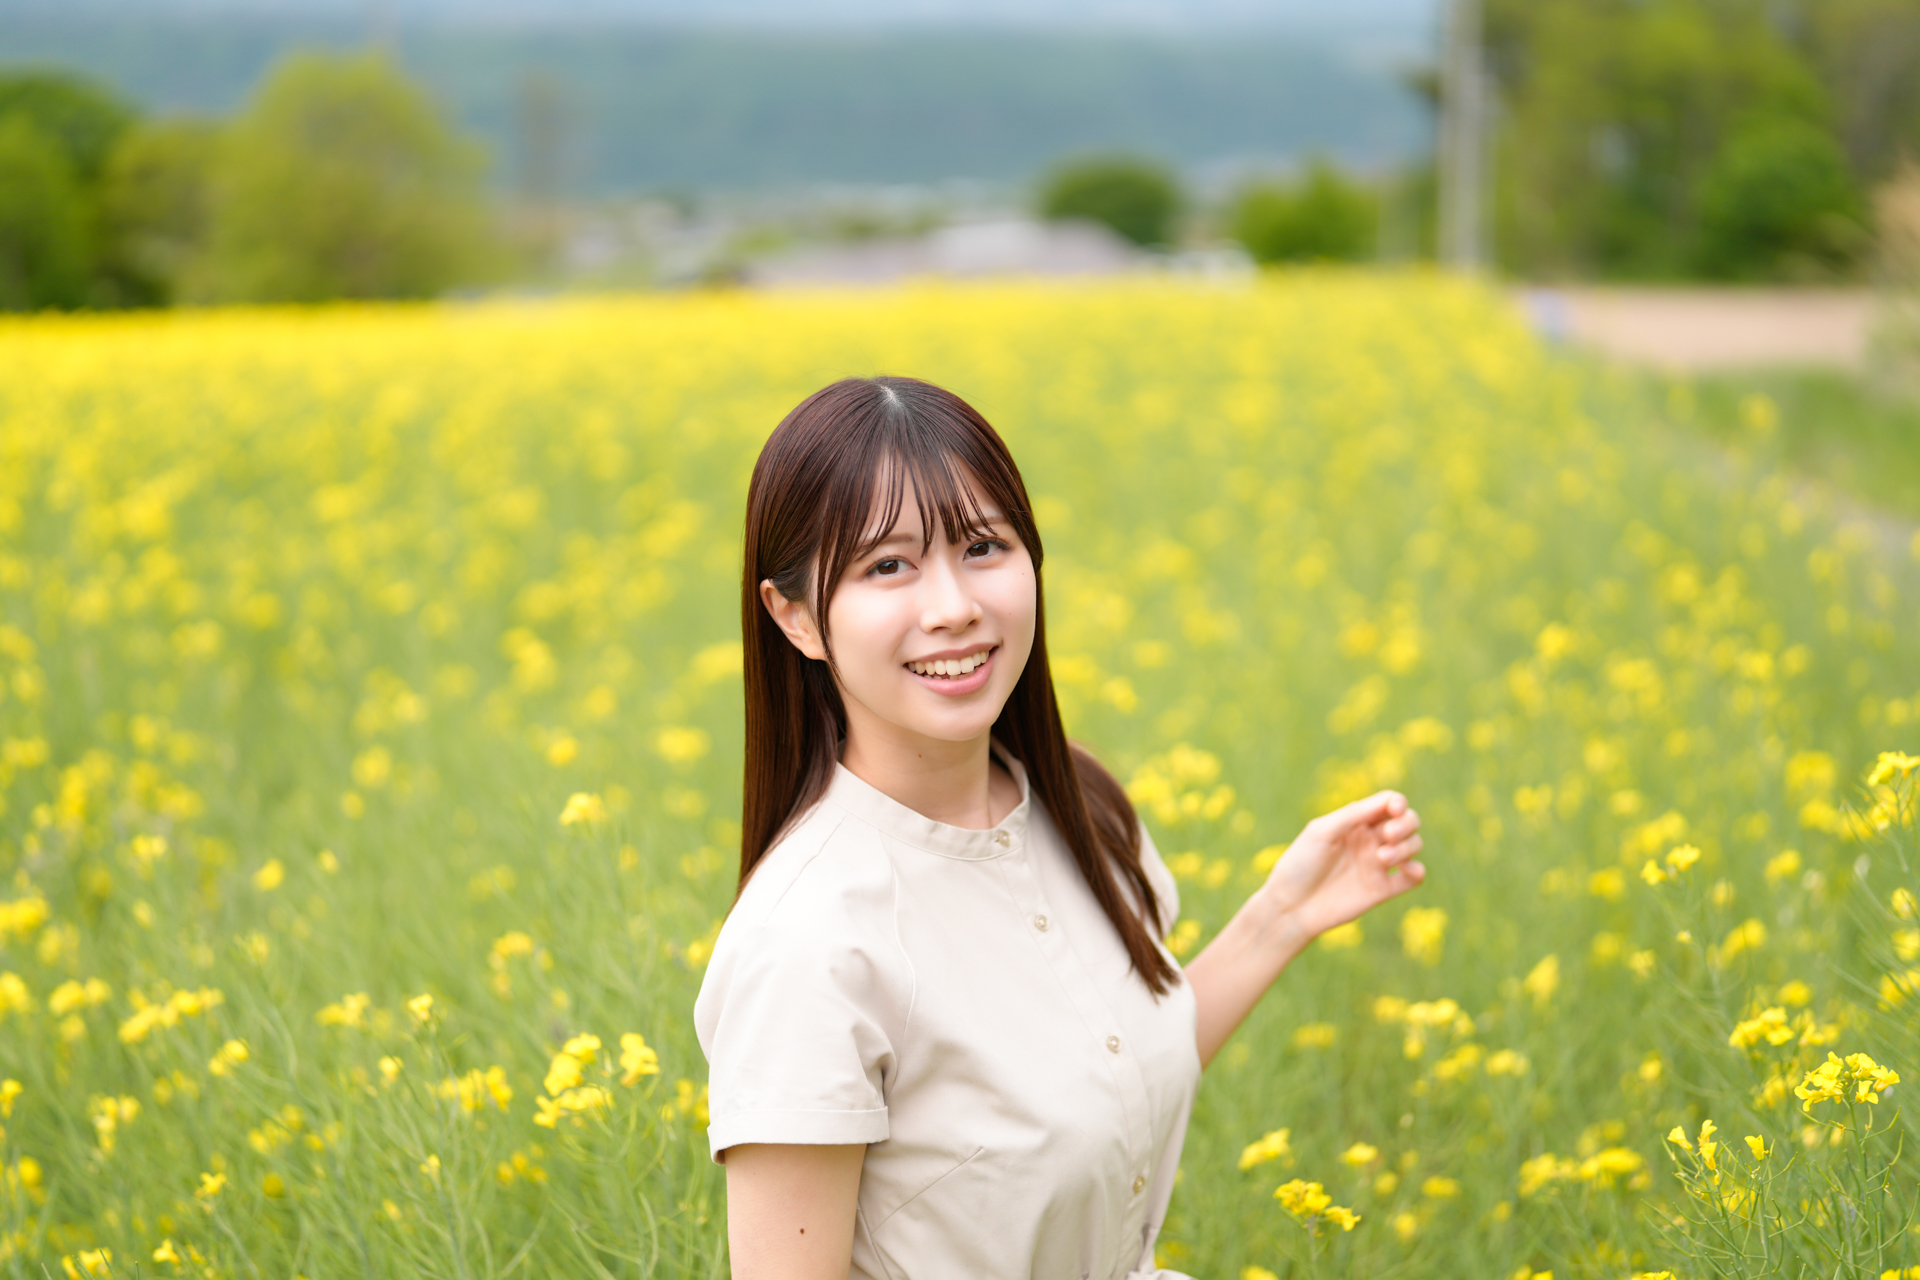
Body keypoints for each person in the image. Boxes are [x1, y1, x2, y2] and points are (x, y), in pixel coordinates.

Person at [693, 376, 1426, 1280]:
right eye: (889, 565)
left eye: (983, 546)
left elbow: (1101, 1094)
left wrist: (1281, 917)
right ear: (795, 616)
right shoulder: (807, 946)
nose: (954, 603)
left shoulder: (1081, 804)